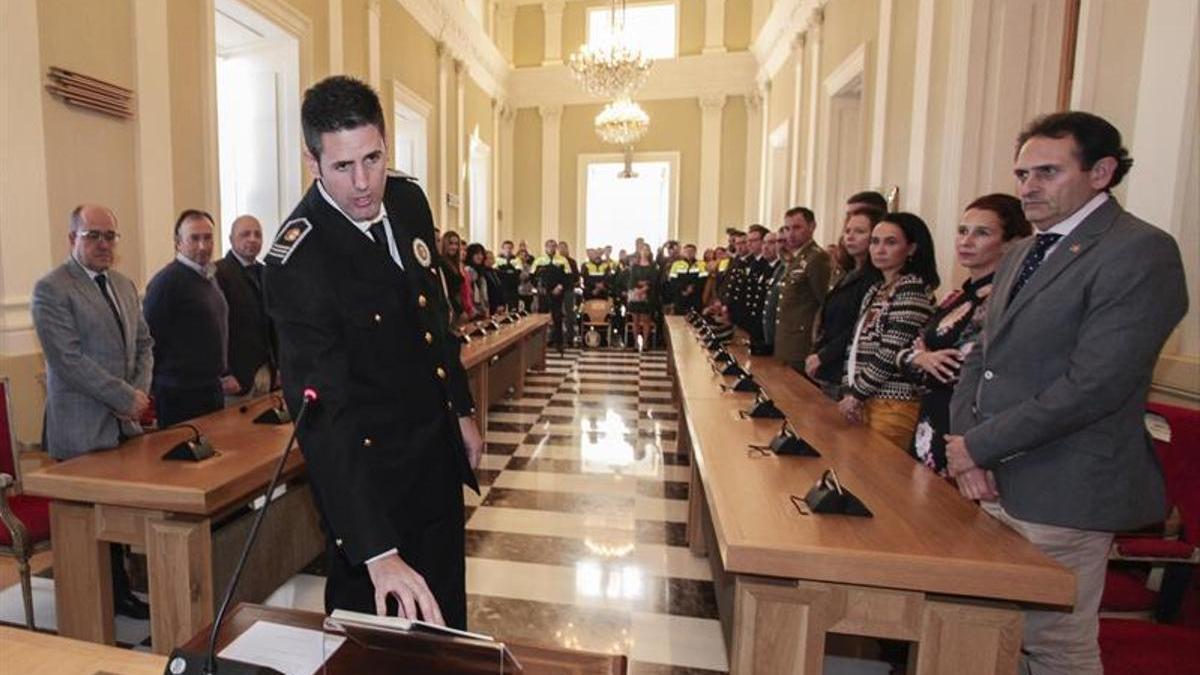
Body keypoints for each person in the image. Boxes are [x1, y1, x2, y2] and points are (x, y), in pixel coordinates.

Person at [948, 112, 1187, 675]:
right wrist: (967, 448)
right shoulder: (1022, 252)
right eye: (1022, 174)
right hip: (993, 477)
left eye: (1048, 172)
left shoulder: (1139, 250)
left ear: (1101, 172)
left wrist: (978, 446)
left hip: (1064, 484)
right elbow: (980, 358)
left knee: (1052, 645)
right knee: (985, 634)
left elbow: (1095, 385)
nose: (1028, 187)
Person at [263, 75, 482, 628]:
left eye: (373, 159)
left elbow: (434, 316)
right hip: (372, 483)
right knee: (374, 644)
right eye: (342, 166)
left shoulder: (407, 200)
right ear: (312, 162)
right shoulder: (299, 260)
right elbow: (324, 417)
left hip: (435, 455)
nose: (363, 184)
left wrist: (460, 408)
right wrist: (376, 549)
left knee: (446, 623)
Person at [31, 204, 154, 620]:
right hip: (81, 429)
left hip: (123, 427)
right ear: (73, 239)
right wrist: (124, 398)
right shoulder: (52, 289)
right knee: (87, 528)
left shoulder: (123, 284)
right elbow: (68, 361)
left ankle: (120, 593)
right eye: (93, 236)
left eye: (109, 236)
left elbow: (145, 345)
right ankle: (92, 605)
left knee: (115, 519)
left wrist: (138, 393)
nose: (103, 244)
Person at [898, 194, 1030, 475]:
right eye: (962, 231)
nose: (966, 241)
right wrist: (921, 358)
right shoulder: (957, 296)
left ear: (1010, 243)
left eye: (982, 233)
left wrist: (921, 359)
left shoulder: (1003, 298)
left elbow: (964, 370)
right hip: (930, 423)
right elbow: (905, 353)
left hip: (967, 431)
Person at [836, 212, 938, 450]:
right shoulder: (876, 290)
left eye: (890, 242)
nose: (879, 249)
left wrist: (857, 394)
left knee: (880, 470)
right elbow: (855, 347)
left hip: (894, 402)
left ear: (911, 248)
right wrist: (850, 391)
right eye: (875, 242)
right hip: (864, 398)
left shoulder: (911, 289)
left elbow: (890, 351)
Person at [144, 209, 230, 427]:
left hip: (210, 389)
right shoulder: (167, 283)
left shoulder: (209, 277)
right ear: (178, 243)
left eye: (208, 238)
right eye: (194, 238)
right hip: (179, 395)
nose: (202, 245)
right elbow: (149, 339)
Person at [805, 208, 882, 397]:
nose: (850, 237)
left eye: (859, 231)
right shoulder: (849, 273)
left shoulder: (875, 279)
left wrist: (823, 355)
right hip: (830, 367)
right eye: (847, 231)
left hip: (848, 370)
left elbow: (858, 327)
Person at [214, 215, 278, 404]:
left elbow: (274, 323)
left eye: (257, 235)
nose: (252, 239)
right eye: (245, 234)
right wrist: (224, 373)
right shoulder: (217, 273)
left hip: (267, 373)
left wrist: (278, 367)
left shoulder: (267, 273)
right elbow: (215, 329)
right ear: (231, 239)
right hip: (235, 378)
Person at [772, 207, 832, 370]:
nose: (790, 234)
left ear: (812, 227)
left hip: (802, 344)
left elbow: (825, 302)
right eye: (787, 228)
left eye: (797, 227)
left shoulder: (816, 258)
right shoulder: (796, 258)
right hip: (787, 342)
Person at [530, 239, 570, 348]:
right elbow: (532, 276)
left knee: (557, 318)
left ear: (556, 248)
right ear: (545, 247)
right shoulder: (539, 260)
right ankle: (540, 343)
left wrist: (560, 287)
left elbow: (568, 277)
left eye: (553, 246)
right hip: (543, 293)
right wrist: (538, 287)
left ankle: (558, 343)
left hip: (557, 292)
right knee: (541, 318)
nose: (551, 248)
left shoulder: (563, 260)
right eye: (549, 246)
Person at [626, 246, 659, 350]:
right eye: (643, 250)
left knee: (646, 320)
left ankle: (645, 343)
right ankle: (635, 343)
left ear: (649, 252)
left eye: (647, 250)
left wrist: (645, 287)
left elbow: (653, 280)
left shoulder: (653, 266)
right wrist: (638, 289)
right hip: (636, 295)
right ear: (639, 252)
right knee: (635, 320)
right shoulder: (635, 266)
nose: (644, 252)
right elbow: (632, 280)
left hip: (648, 295)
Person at [667, 244, 706, 315]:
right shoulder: (676, 264)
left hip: (695, 297)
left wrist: (692, 288)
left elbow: (702, 281)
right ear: (684, 252)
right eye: (687, 251)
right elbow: (673, 281)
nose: (689, 253)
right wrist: (683, 290)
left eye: (691, 251)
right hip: (680, 297)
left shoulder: (701, 264)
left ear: (695, 252)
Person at [463, 243, 490, 321]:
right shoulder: (467, 271)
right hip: (472, 311)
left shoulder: (480, 271)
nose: (480, 257)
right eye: (477, 254)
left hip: (482, 309)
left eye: (481, 254)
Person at [494, 240, 523, 310]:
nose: (508, 250)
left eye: (510, 248)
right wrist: (509, 272)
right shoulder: (497, 260)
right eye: (506, 248)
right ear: (502, 249)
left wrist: (503, 272)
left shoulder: (517, 260)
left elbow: (517, 273)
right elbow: (496, 272)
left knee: (513, 308)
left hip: (513, 287)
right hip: (502, 286)